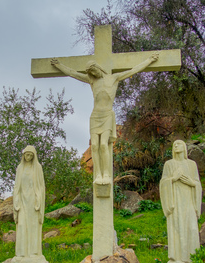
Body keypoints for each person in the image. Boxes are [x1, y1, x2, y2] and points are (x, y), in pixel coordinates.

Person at [51, 54, 159, 185]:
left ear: (98, 68)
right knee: (95, 146)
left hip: (107, 115)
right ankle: (98, 174)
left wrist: (149, 60)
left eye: (93, 70)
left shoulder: (113, 78)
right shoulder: (92, 81)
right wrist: (59, 65)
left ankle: (106, 174)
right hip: (95, 116)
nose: (93, 73)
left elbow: (133, 70)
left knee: (103, 145)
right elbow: (73, 73)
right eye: (90, 72)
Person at [159, 140, 202, 263]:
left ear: (184, 147)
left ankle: (191, 257)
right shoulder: (169, 164)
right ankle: (177, 258)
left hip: (188, 201)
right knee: (177, 227)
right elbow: (163, 183)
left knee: (191, 227)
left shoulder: (191, 164)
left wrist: (192, 183)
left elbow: (198, 183)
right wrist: (173, 178)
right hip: (175, 202)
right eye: (174, 145)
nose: (176, 145)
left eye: (179, 144)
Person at [11, 145, 48, 263]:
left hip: (33, 201)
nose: (28, 157)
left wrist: (39, 199)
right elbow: (16, 186)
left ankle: (34, 253)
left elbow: (41, 186)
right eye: (27, 155)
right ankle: (21, 253)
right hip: (22, 201)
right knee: (22, 226)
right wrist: (16, 200)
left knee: (33, 226)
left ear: (34, 156)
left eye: (31, 155)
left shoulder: (37, 168)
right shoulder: (20, 168)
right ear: (23, 155)